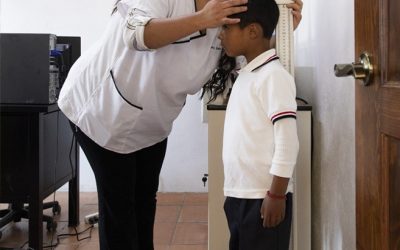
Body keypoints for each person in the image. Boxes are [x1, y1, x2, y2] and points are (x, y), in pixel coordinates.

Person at [57, 0, 303, 249]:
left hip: (152, 122)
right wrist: (202, 19)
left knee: (143, 204)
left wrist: (280, 34)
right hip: (104, 111)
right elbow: (135, 34)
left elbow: (244, 48)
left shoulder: (228, 19)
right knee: (120, 209)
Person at [213, 0, 300, 249]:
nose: (220, 35)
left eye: (226, 28)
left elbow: (287, 141)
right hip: (240, 195)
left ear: (252, 32)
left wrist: (276, 194)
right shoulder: (248, 73)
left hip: (263, 197)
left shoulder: (273, 77)